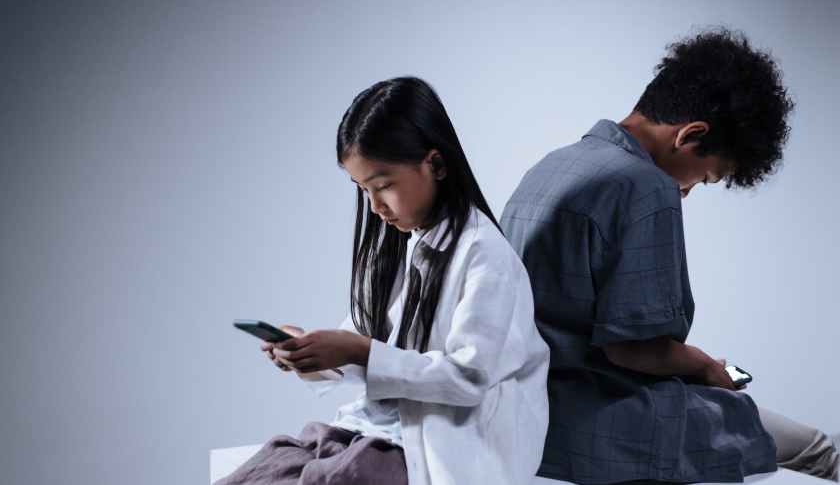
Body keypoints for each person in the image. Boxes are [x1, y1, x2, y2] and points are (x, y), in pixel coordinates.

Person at [501, 28, 839, 484]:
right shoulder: (644, 185)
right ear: (690, 136)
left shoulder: (552, 165)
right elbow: (630, 347)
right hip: (589, 419)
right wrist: (702, 365)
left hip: (519, 407)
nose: (688, 191)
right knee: (813, 447)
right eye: (705, 178)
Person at [216, 76, 550, 485]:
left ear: (436, 164)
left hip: (444, 444)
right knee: (258, 473)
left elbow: (467, 378)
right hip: (378, 430)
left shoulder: (485, 255)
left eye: (384, 185)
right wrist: (307, 351)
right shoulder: (400, 248)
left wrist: (360, 351)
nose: (374, 206)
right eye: (362, 190)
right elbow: (359, 343)